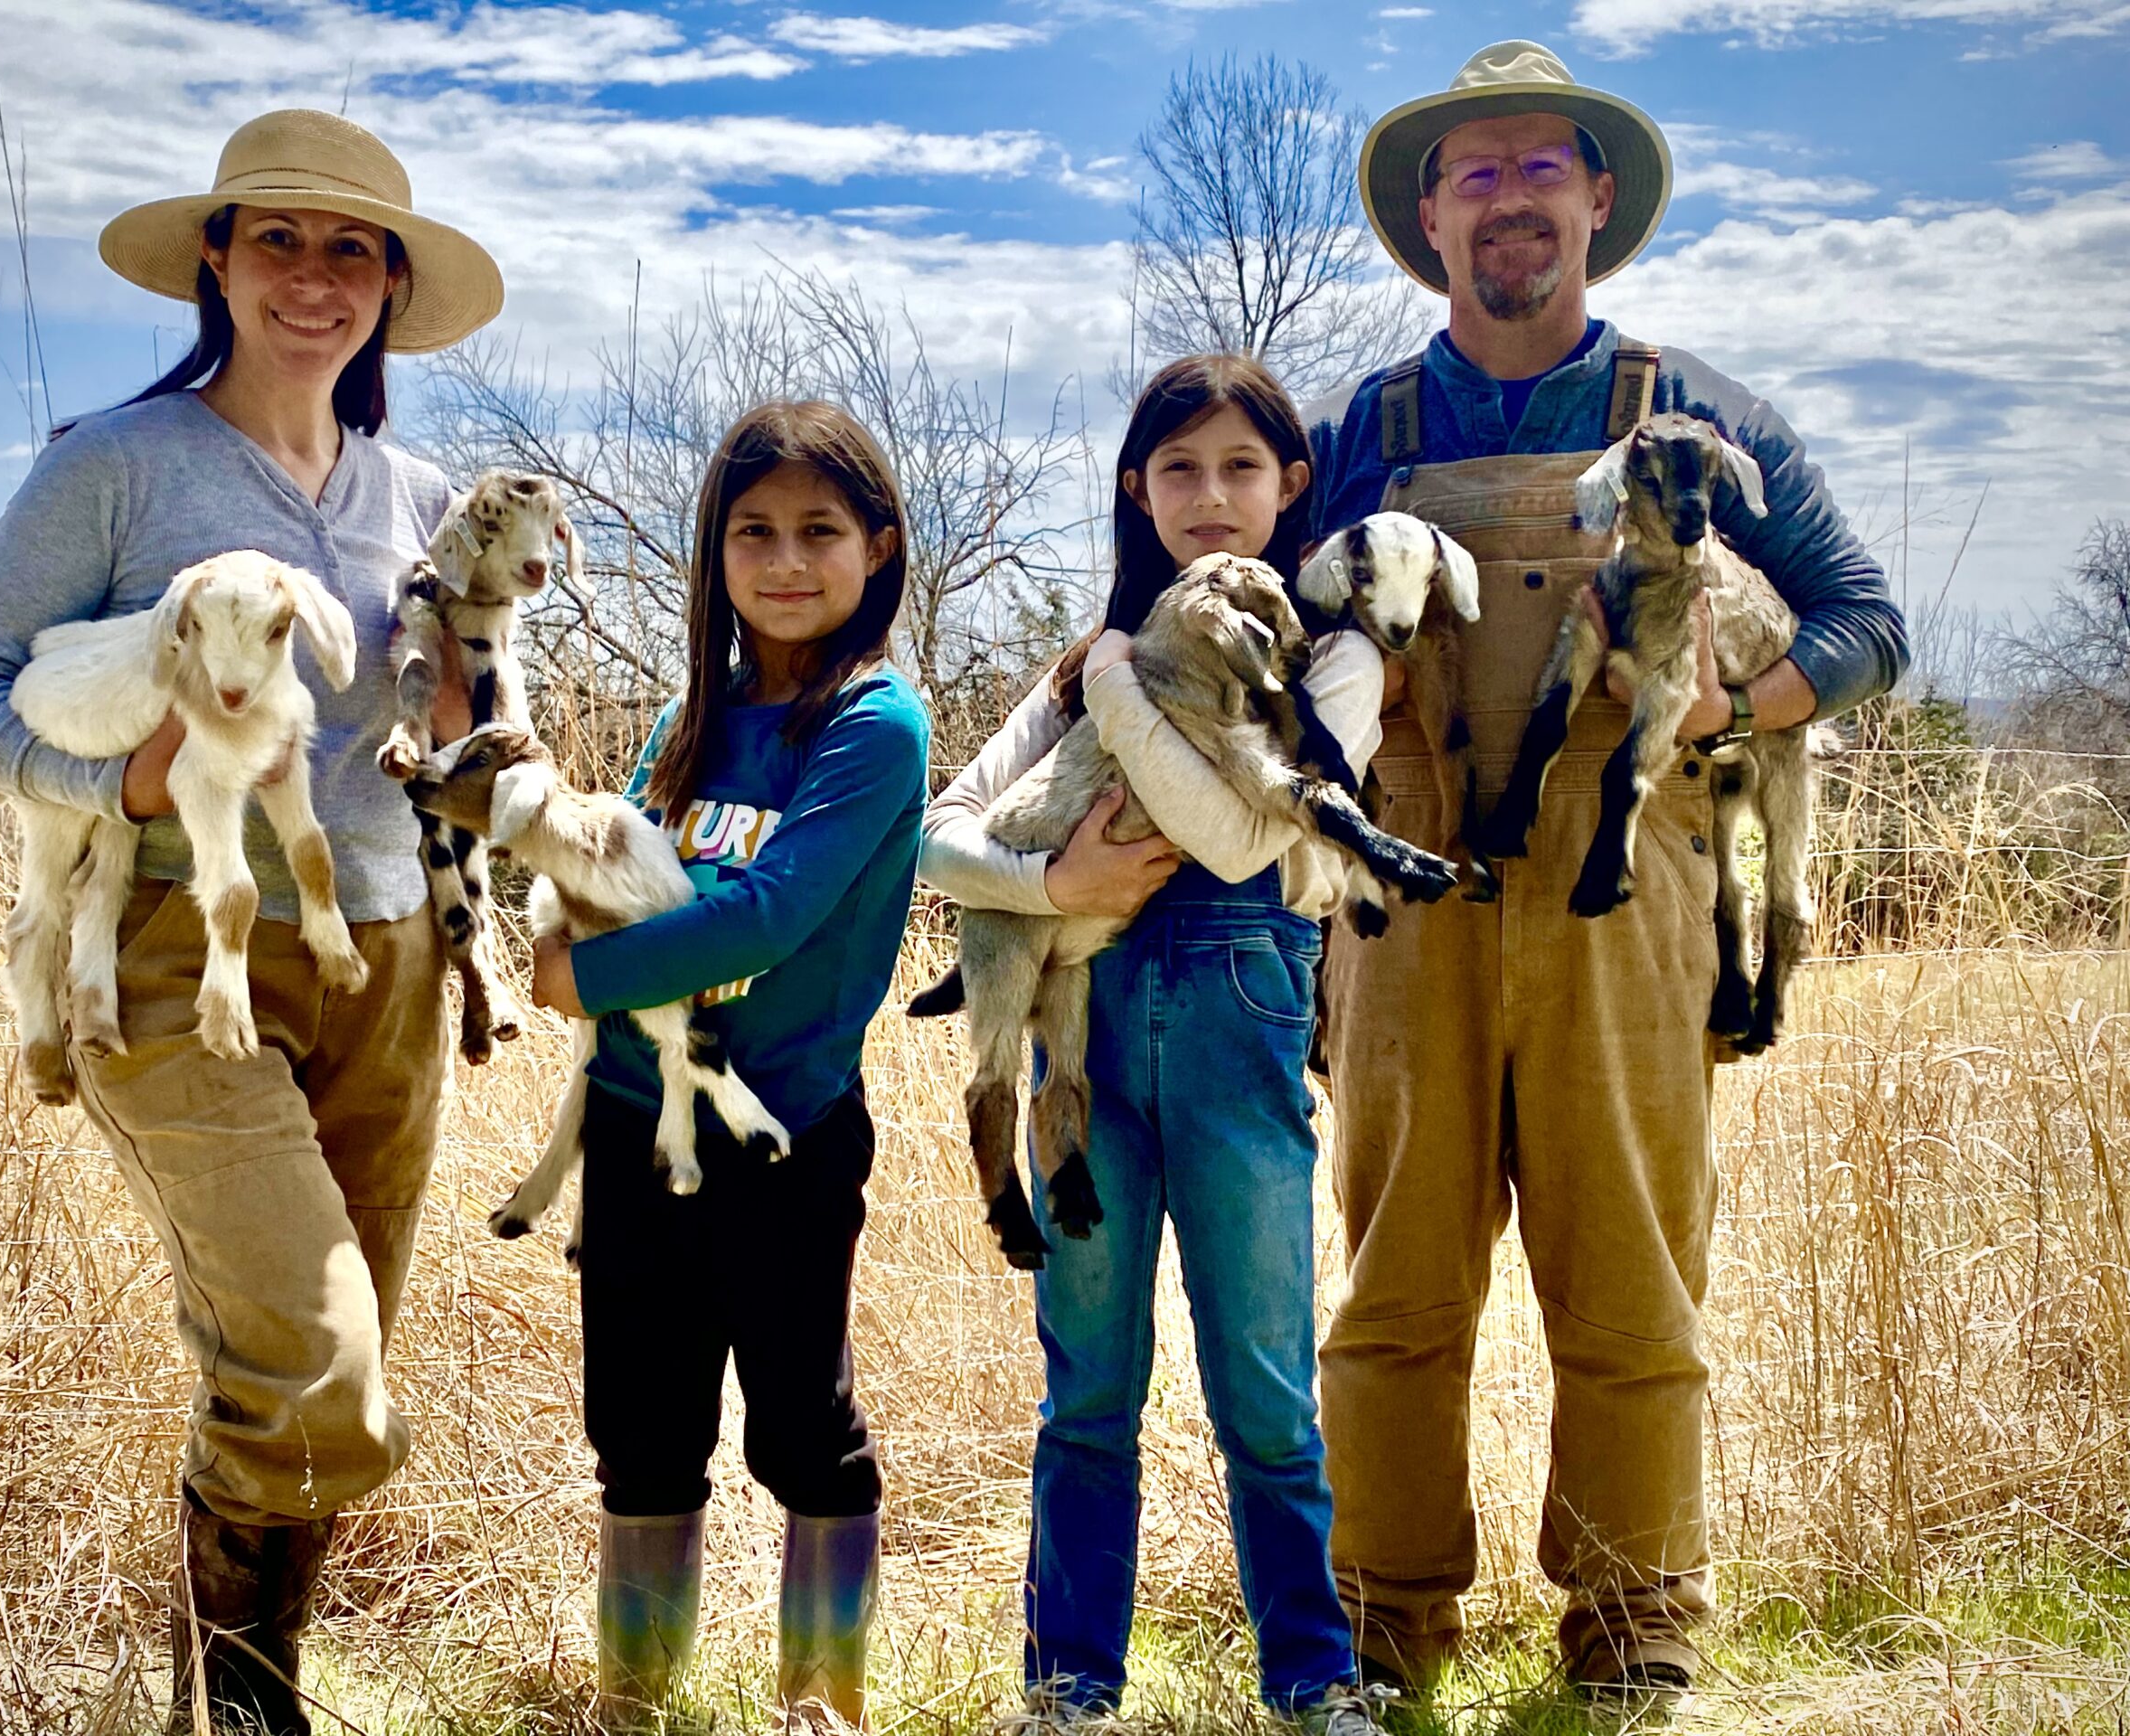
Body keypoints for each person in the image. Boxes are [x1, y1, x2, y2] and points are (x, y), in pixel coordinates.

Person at [1305, 41, 1909, 1708]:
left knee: (1634, 1281)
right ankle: (1382, 1623)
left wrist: (1738, 703)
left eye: (1537, 167)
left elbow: (1872, 621)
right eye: (1473, 173)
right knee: (1391, 1292)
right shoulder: (1368, 426)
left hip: (1628, 899)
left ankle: (1637, 1632)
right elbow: (1252, 625)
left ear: (1597, 199)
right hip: (1405, 917)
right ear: (1431, 214)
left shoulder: (1697, 417)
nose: (1507, 199)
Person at [0, 110, 504, 1731]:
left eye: (352, 249)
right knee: (321, 1361)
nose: (316, 278)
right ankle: (237, 1706)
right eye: (280, 241)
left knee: (324, 1375)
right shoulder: (116, 463)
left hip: (386, 966)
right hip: (172, 954)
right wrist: (121, 790)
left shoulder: (420, 496)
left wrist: (483, 785)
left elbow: (426, 739)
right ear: (216, 261)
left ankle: (244, 1697)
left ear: (388, 286)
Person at [920, 355, 1397, 1735]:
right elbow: (945, 838)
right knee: (1088, 1389)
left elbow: (1243, 833)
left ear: (1290, 485)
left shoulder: (1331, 664)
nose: (1211, 497)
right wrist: (1056, 891)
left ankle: (1313, 1686)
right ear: (1139, 490)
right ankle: (1069, 1692)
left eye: (1242, 467)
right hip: (1085, 1044)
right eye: (1178, 470)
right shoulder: (1078, 668)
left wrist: (1127, 693)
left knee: (1266, 1394)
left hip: (1241, 1042)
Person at [525, 401, 930, 1730]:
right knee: (640, 1436)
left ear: (878, 546)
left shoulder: (873, 727)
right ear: (717, 555)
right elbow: (612, 867)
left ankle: (825, 1703)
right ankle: (638, 1703)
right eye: (752, 532)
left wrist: (576, 978)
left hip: (785, 1138)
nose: (786, 560)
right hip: (638, 1127)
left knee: (802, 1429)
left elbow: (764, 915)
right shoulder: (692, 720)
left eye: (820, 530)